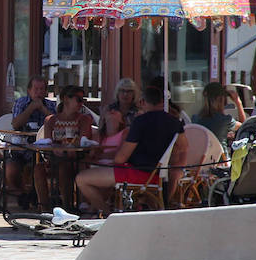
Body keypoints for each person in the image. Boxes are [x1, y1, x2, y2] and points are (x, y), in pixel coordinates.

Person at [74, 85, 188, 216]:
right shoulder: (176, 122)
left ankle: (108, 214)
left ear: (143, 102)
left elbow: (121, 158)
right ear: (162, 102)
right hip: (161, 175)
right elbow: (183, 148)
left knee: (82, 179)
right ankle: (104, 211)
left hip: (137, 173)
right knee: (104, 174)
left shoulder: (140, 122)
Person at [37, 85, 93, 209]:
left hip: (77, 160)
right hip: (55, 159)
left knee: (64, 167)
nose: (81, 103)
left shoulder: (84, 119)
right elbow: (48, 142)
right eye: (78, 99)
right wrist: (56, 149)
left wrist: (65, 149)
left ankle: (67, 207)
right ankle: (44, 208)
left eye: (82, 100)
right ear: (65, 99)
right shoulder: (50, 120)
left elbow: (83, 141)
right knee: (38, 169)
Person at [4, 75, 56, 201]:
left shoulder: (50, 104)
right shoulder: (21, 102)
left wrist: (42, 109)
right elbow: (15, 124)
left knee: (38, 168)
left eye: (42, 89)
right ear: (29, 90)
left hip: (43, 150)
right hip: (21, 147)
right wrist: (31, 108)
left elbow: (57, 123)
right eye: (36, 89)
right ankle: (22, 195)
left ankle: (37, 198)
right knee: (11, 169)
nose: (39, 92)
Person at [191, 82, 240, 146]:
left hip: (202, 155)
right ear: (220, 100)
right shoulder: (225, 120)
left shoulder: (195, 119)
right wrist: (238, 102)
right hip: (220, 155)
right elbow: (245, 126)